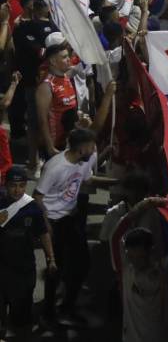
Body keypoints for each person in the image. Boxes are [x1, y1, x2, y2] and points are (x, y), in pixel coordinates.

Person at [34, 127, 114, 323]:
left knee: (83, 263)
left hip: (71, 218)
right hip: (53, 222)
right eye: (92, 147)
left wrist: (115, 182)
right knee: (55, 268)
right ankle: (49, 312)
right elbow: (37, 197)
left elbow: (88, 179)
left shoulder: (83, 160)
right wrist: (45, 224)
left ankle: (68, 306)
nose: (94, 150)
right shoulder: (55, 167)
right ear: (82, 148)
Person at [0, 166, 55, 336]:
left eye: (22, 186)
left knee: (22, 317)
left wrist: (51, 258)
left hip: (24, 270)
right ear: (5, 185)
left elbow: (43, 234)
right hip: (1, 268)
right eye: (13, 185)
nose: (17, 190)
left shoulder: (32, 208)